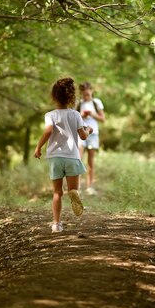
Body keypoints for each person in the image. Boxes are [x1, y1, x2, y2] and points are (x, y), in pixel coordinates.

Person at [34, 78, 93, 233]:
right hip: (72, 156)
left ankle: (56, 224)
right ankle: (74, 193)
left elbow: (47, 131)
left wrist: (38, 147)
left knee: (57, 193)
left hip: (55, 157)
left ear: (54, 96)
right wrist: (88, 130)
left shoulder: (50, 115)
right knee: (73, 189)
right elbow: (83, 136)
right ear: (71, 97)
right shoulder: (76, 115)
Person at [76, 82, 105, 195]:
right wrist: (82, 115)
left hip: (93, 134)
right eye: (84, 94)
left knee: (90, 161)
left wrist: (92, 114)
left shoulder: (96, 102)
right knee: (78, 159)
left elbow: (103, 119)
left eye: (87, 94)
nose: (86, 96)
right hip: (81, 132)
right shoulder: (79, 103)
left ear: (91, 91)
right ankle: (76, 187)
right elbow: (75, 118)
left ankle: (89, 187)